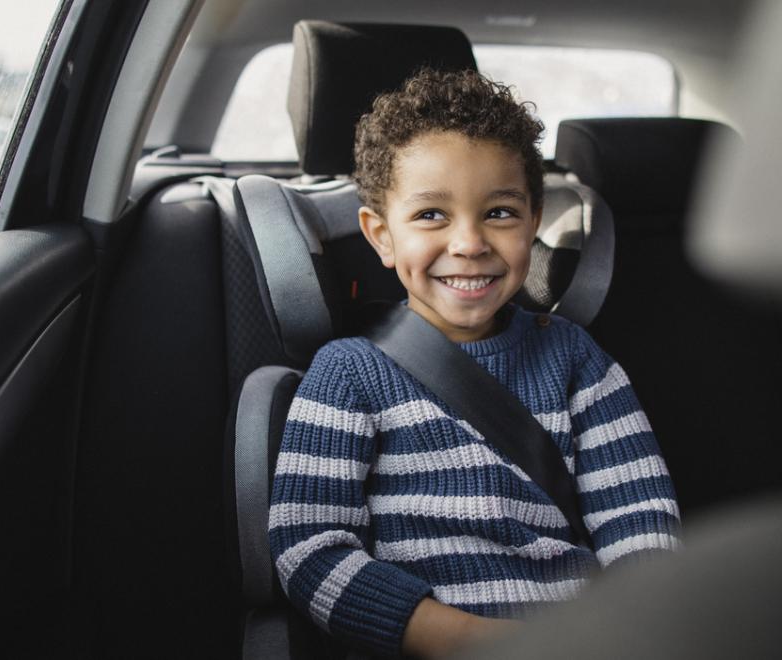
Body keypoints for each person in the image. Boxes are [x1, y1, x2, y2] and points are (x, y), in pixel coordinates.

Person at [268, 68, 681, 658]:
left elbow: (640, 522)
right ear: (381, 236)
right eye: (431, 215)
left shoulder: (577, 361)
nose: (469, 243)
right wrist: (468, 640)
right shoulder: (349, 375)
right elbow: (310, 549)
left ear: (533, 223)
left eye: (500, 213)